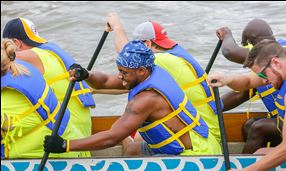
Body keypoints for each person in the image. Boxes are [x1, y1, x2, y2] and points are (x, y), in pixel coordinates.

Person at [43, 40, 222, 156]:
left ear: (141, 71)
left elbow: (111, 137)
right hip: (199, 142)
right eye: (119, 71)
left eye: (123, 72)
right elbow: (104, 81)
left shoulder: (145, 100)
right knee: (133, 149)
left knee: (125, 141)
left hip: (196, 155)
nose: (119, 76)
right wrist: (86, 74)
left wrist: (64, 145)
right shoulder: (151, 72)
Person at [105, 12, 221, 153]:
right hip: (205, 126)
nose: (134, 52)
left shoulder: (161, 59)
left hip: (202, 133)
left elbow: (124, 52)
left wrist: (117, 26)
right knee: (136, 132)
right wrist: (90, 89)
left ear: (147, 44)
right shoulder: (177, 52)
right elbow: (125, 84)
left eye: (137, 46)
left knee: (133, 141)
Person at [208, 39, 286, 171]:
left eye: (263, 75)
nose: (263, 82)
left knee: (258, 159)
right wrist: (226, 79)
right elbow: (248, 82)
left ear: (275, 62)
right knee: (260, 153)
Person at [2, 17, 95, 157]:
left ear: (15, 44)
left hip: (62, 141)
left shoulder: (23, 59)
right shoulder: (52, 53)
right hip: (79, 133)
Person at [216, 19, 286, 153]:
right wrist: (211, 107)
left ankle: (244, 168)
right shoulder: (270, 70)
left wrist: (227, 34)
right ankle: (251, 163)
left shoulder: (281, 53)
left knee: (259, 128)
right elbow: (244, 89)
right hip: (285, 122)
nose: (265, 80)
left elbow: (230, 51)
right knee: (248, 125)